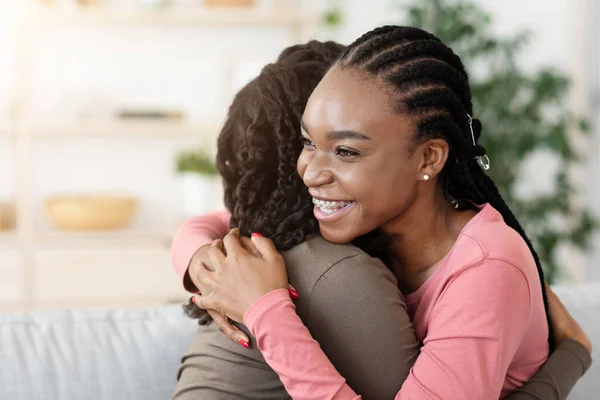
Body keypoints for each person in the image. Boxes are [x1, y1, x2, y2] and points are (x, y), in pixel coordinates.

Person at [173, 35, 592, 400]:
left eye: (346, 151)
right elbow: (215, 219)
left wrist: (266, 312)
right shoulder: (369, 228)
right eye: (307, 143)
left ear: (428, 158)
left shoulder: (486, 268)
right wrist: (200, 261)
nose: (310, 173)